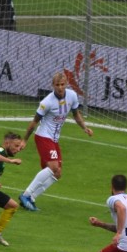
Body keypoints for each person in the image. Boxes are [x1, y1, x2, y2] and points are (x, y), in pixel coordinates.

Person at [18, 72, 93, 212]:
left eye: (62, 84)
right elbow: (34, 122)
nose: (60, 87)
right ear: (52, 85)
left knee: (57, 173)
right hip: (43, 136)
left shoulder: (72, 96)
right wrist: (24, 140)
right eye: (57, 85)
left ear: (67, 84)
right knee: (53, 167)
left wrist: (85, 128)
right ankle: (26, 194)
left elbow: (76, 114)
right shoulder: (46, 102)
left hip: (54, 139)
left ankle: (31, 199)